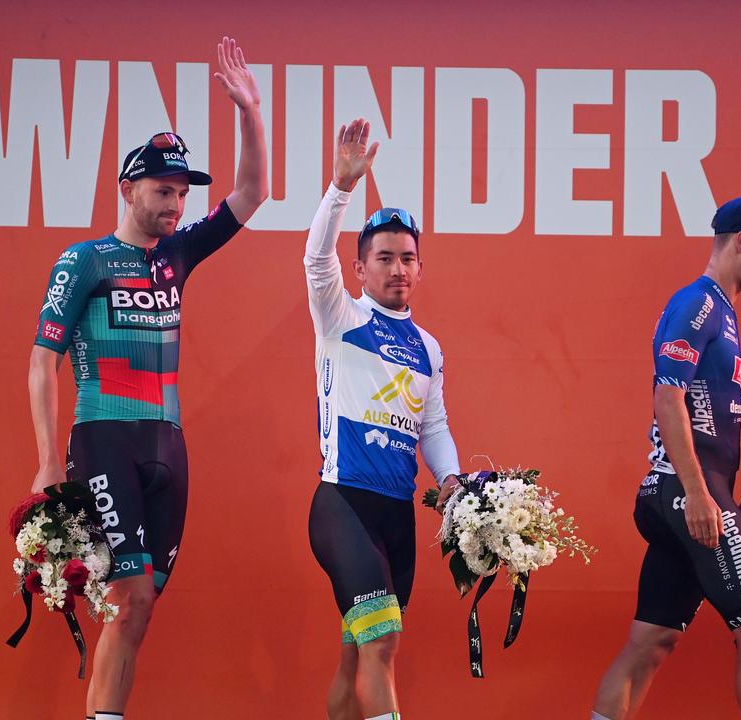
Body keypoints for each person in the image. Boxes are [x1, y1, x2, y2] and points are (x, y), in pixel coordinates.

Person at [27, 37, 267, 720]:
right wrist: (48, 462)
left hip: (169, 447)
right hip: (104, 439)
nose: (174, 205)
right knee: (126, 598)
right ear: (127, 189)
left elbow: (252, 193)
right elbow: (40, 361)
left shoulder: (178, 255)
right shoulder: (86, 261)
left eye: (182, 193)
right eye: (163, 191)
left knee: (141, 607)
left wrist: (250, 111)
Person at [590, 190, 741, 720]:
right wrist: (696, 493)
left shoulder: (721, 310)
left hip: (684, 493)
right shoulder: (701, 302)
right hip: (686, 492)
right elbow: (668, 394)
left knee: (652, 641)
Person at [304, 119, 464, 720]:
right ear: (361, 267)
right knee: (382, 641)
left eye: (408, 259)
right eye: (385, 259)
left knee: (358, 654)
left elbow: (434, 427)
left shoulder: (428, 346)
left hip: (397, 515)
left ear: (420, 269)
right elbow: (315, 256)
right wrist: (341, 189)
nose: (398, 269)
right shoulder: (339, 318)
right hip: (343, 504)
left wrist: (450, 482)